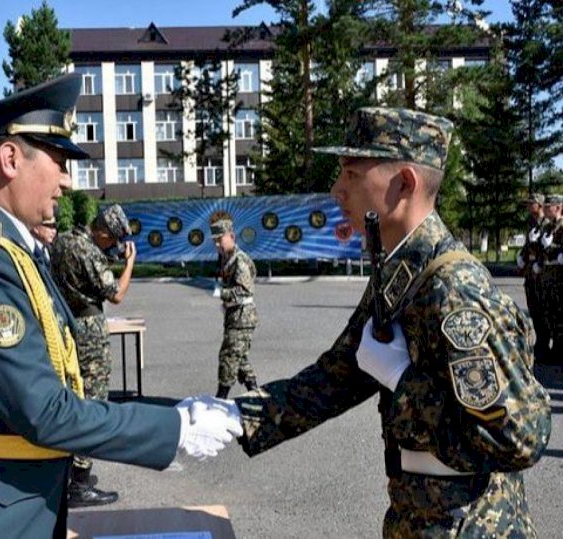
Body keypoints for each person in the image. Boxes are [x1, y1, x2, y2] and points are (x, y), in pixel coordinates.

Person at [0, 73, 242, 539]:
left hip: (5, 502)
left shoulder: (9, 248)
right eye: (58, 160)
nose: (67, 181)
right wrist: (172, 431)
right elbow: (44, 410)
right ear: (10, 158)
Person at [195, 107, 551, 536]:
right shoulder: (402, 270)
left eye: (352, 173)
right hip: (418, 519)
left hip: (473, 527)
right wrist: (231, 417)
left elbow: (520, 437)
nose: (336, 189)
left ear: (404, 183)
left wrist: (402, 379)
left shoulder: (454, 288)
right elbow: (335, 377)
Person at [49, 203, 135, 507]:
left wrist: (107, 255)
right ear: (101, 231)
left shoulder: (62, 241)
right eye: (111, 239)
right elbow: (117, 294)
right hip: (89, 328)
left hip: (64, 324)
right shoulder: (89, 252)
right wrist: (128, 265)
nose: (113, 245)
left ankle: (65, 475)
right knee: (94, 400)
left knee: (71, 396)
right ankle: (80, 483)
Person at [209, 211, 259, 399]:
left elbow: (245, 291)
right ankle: (257, 396)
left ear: (232, 236)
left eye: (219, 239)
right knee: (240, 359)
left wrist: (221, 293)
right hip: (234, 316)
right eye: (214, 240)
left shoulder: (239, 260)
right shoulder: (225, 258)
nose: (216, 244)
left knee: (229, 357)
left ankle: (220, 400)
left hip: (242, 317)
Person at [517, 193, 549, 362]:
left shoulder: (547, 224)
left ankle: (545, 344)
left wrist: (540, 262)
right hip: (530, 272)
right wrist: (521, 256)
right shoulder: (531, 222)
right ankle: (540, 342)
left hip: (541, 272)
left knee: (544, 309)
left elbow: (546, 248)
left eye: (531, 204)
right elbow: (528, 244)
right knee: (533, 308)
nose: (529, 207)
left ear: (539, 205)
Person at [537, 194, 563, 361]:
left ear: (559, 208)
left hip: (559, 277)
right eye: (545, 207)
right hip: (547, 276)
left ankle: (560, 350)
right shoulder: (547, 227)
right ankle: (552, 349)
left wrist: (551, 247)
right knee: (549, 314)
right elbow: (540, 249)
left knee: (560, 315)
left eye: (549, 207)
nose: (545, 210)